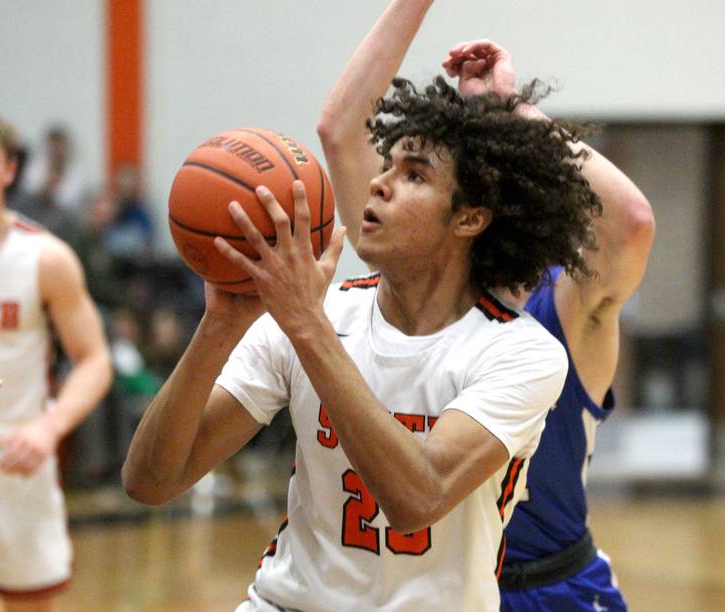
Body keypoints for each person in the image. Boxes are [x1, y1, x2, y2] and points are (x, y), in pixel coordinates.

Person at [121, 2, 602, 610]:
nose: (379, 182)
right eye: (386, 164)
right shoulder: (316, 319)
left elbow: (417, 498)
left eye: (415, 175)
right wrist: (218, 326)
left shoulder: (521, 352)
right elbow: (149, 482)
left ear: (471, 218)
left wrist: (305, 326)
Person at [318, 4, 655, 608]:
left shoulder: (567, 312)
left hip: (550, 585)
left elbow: (630, 222)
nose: (386, 186)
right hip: (429, 590)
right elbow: (341, 132)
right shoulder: (412, 280)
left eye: (417, 175)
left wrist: (512, 114)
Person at [0, 116, 113, 612]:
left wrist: (50, 427)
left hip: (16, 459)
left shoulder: (45, 258)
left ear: (8, 168)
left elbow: (94, 361)